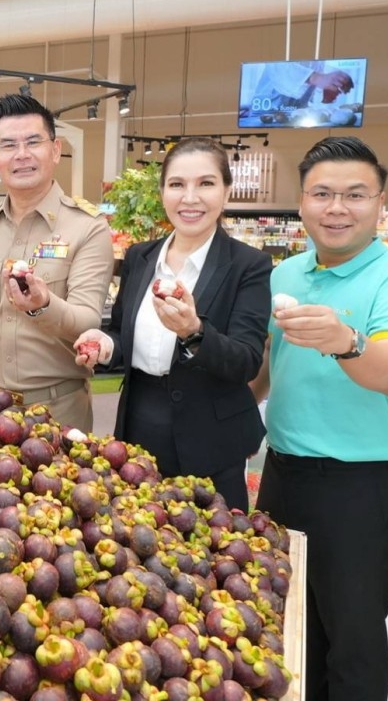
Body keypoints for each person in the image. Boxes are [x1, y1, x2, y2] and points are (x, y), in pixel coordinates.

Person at [250, 136, 388, 701]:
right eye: (322, 193)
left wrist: (346, 341)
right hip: (281, 476)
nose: (337, 208)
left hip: (360, 484)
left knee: (352, 639)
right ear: (301, 203)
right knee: (286, 625)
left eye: (355, 195)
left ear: (380, 204)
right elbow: (264, 372)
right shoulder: (284, 276)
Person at [73, 138, 271, 510]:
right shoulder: (140, 257)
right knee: (139, 544)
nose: (190, 198)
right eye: (177, 184)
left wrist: (194, 332)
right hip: (138, 429)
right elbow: (122, 335)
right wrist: (104, 345)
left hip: (212, 439)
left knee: (215, 553)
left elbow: (246, 360)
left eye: (206, 184)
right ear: (163, 192)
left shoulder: (249, 265)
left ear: (226, 191)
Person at [0, 94, 114, 431]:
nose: (21, 155)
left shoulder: (87, 228)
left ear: (55, 150)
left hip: (56, 411)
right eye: (8, 145)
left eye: (33, 142)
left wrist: (44, 305)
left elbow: (88, 320)